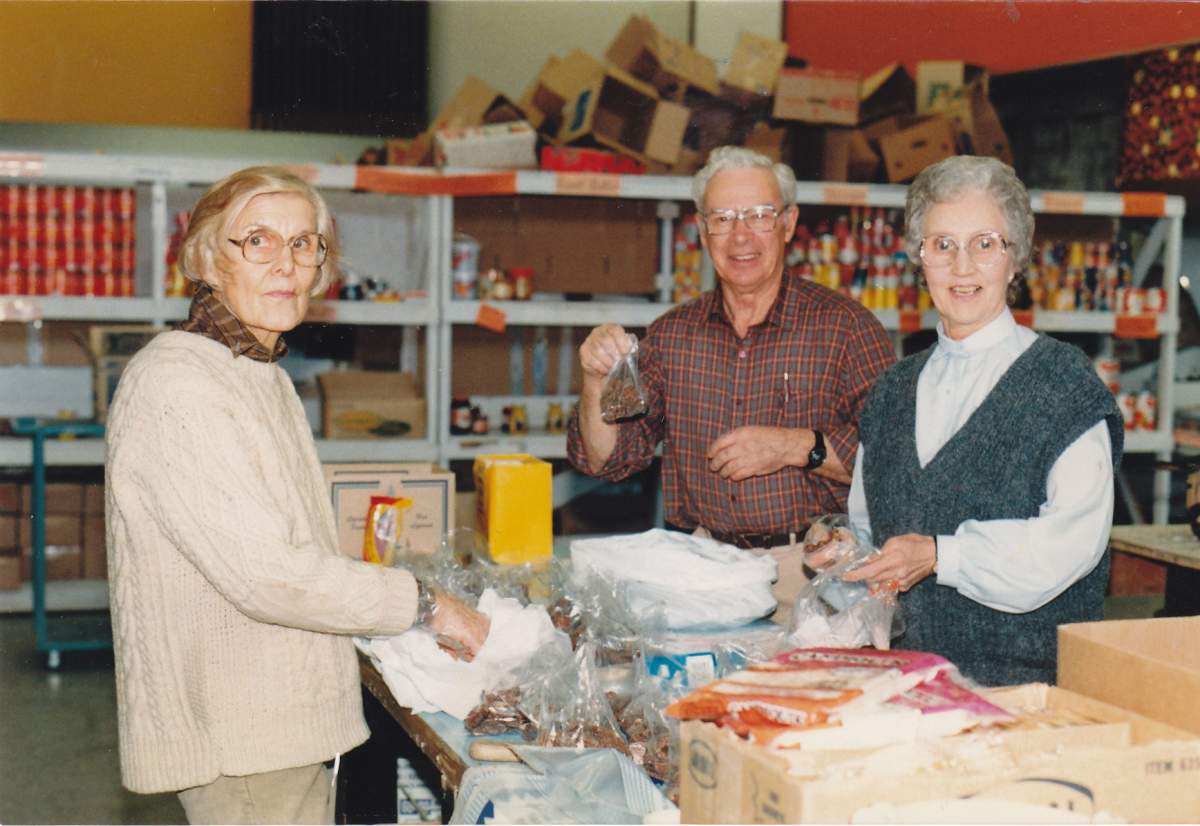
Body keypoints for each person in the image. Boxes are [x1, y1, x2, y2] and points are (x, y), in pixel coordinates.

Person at [105, 167, 489, 825]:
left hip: (274, 727)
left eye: (305, 243)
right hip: (245, 746)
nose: (286, 262)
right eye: (257, 240)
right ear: (205, 259)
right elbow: (268, 576)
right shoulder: (179, 385)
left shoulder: (258, 371)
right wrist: (425, 605)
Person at [567, 146, 895, 623]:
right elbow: (607, 460)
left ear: (788, 223)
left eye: (760, 215)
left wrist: (796, 446)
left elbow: (892, 464)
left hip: (814, 578)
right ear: (702, 230)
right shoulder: (671, 335)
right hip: (700, 576)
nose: (741, 235)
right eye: (722, 218)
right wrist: (596, 382)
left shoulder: (846, 328)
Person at [843, 155, 1123, 686]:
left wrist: (942, 556)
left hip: (1027, 693)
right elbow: (868, 527)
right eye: (942, 245)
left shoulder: (1063, 384)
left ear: (1015, 259)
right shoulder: (890, 392)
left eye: (985, 244)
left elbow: (1070, 543)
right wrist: (846, 556)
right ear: (918, 258)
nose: (962, 266)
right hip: (906, 689)